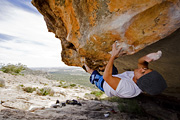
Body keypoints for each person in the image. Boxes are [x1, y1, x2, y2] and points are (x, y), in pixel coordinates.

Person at [84, 42, 167, 98]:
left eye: (143, 72)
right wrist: (148, 57)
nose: (142, 69)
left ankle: (89, 71)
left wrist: (113, 56)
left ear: (139, 80)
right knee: (109, 65)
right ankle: (103, 68)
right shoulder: (141, 78)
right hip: (116, 77)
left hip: (104, 84)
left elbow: (106, 77)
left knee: (94, 73)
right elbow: (141, 62)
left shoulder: (128, 89)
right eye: (146, 69)